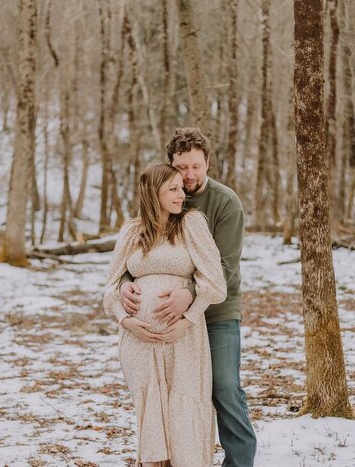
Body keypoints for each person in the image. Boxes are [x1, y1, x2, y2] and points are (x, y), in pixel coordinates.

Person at [120, 128, 257, 467]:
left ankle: (239, 463)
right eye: (182, 168)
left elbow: (223, 266)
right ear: (171, 165)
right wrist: (124, 281)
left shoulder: (224, 203)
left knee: (224, 388)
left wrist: (189, 296)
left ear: (208, 163)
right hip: (166, 322)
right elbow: (140, 253)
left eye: (196, 166)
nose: (190, 176)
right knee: (171, 396)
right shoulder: (161, 195)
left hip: (217, 313)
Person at [104, 163, 227, 467]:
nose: (181, 194)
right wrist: (126, 319)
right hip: (139, 342)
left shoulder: (191, 224)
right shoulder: (132, 231)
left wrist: (188, 319)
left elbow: (215, 284)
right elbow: (109, 290)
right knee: (151, 415)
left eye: (180, 188)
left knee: (184, 411)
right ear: (151, 193)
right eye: (171, 189)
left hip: (181, 339)